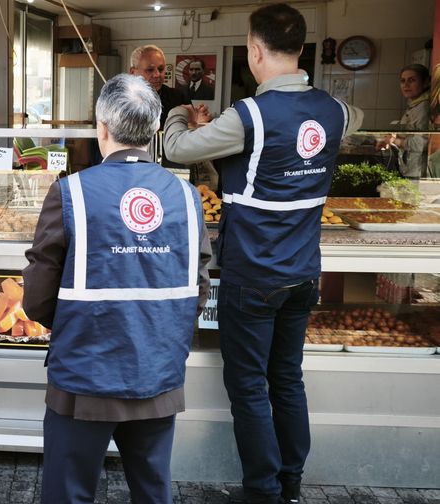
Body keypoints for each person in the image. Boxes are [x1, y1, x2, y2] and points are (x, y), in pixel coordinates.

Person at [163, 4, 363, 504]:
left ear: (255, 50)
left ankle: (262, 492)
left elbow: (178, 149)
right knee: (287, 380)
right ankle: (289, 485)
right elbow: (352, 121)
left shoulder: (249, 115)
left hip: (253, 275)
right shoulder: (337, 111)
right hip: (304, 274)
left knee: (250, 386)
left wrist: (182, 113)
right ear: (300, 50)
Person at [23, 73, 212, 503]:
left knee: (68, 494)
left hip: (84, 378)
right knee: (153, 492)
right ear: (156, 128)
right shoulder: (187, 196)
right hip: (159, 374)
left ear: (101, 127)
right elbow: (199, 287)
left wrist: (72, 323)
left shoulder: (70, 192)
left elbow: (37, 296)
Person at [129, 44, 192, 169]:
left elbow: (188, 134)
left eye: (161, 69)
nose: (157, 74)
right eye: (150, 70)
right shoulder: (121, 101)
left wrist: (197, 121)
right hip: (133, 165)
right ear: (133, 72)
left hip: (171, 166)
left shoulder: (178, 97)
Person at [376, 63, 430, 180]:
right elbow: (409, 130)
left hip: (420, 173)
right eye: (403, 81)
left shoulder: (424, 108)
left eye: (412, 80)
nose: (406, 85)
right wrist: (392, 136)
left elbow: (423, 143)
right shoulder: (414, 105)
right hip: (410, 169)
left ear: (425, 82)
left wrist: (396, 141)